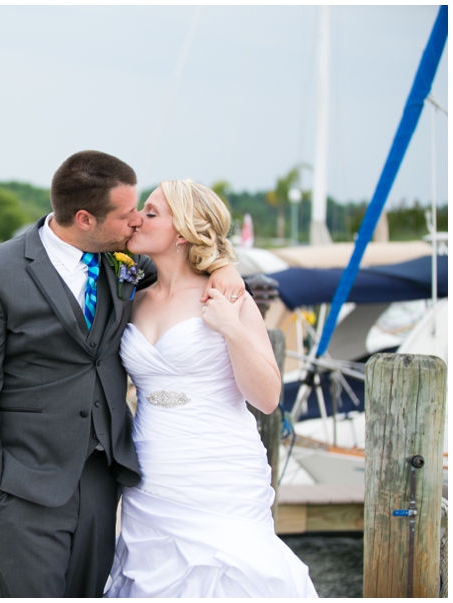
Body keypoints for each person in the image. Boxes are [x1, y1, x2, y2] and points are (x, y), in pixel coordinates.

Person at [0, 151, 246, 598]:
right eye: (128, 215)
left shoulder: (124, 260)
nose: (137, 224)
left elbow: (181, 264)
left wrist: (224, 265)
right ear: (85, 218)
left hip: (102, 476)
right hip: (25, 477)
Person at [105, 180, 318, 598]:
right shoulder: (132, 296)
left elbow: (268, 398)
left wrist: (231, 328)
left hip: (217, 467)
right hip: (151, 468)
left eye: (151, 212)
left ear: (182, 231)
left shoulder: (227, 296)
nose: (137, 219)